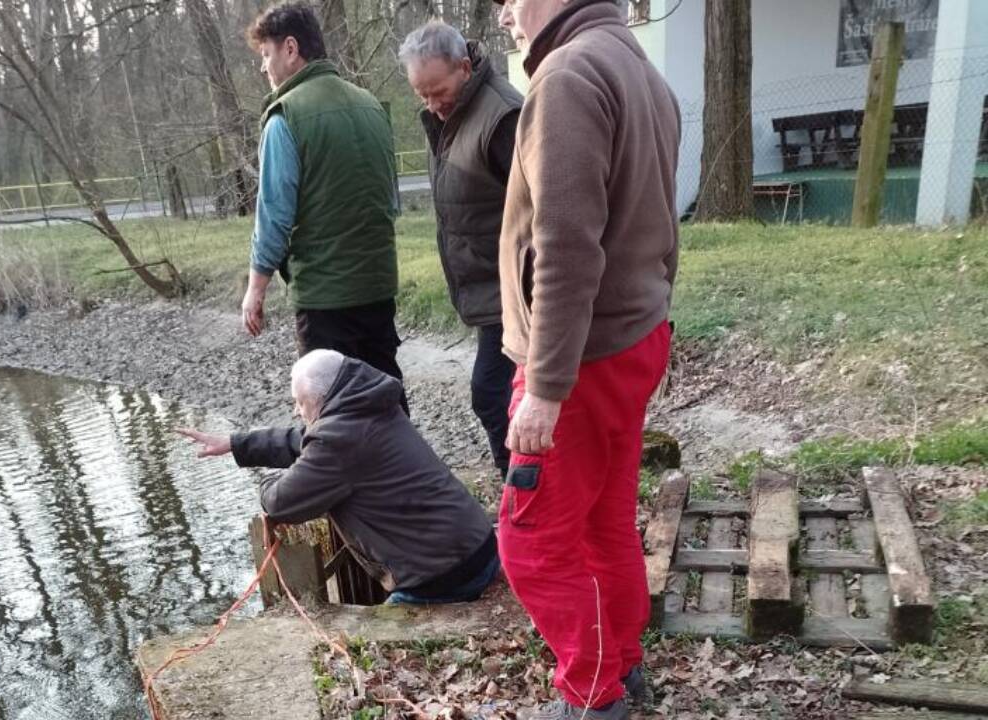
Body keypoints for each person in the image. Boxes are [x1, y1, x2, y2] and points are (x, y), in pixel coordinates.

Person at [493, 0, 681, 716]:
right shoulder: (638, 67)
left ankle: (592, 696)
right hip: (631, 337)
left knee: (530, 540)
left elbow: (567, 247)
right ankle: (621, 667)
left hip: (578, 358)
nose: (505, 14)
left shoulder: (568, 76)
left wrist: (545, 387)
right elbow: (662, 223)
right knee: (603, 522)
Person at [177, 350, 499, 605]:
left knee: (368, 648)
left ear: (321, 400)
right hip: (479, 548)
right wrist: (236, 444)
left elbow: (280, 502)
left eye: (299, 403)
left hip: (443, 576)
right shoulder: (370, 404)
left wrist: (270, 480)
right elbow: (305, 439)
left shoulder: (338, 440)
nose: (296, 411)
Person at [242, 3, 406, 403]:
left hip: (325, 296)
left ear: (291, 48)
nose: (263, 67)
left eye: (266, 54)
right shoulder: (370, 105)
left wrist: (256, 288)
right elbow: (389, 200)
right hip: (378, 285)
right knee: (386, 400)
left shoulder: (284, 117)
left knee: (331, 409)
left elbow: (274, 217)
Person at [398, 21, 523, 478]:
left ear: (465, 68)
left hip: (515, 289)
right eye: (422, 95)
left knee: (491, 394)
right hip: (487, 288)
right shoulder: (446, 119)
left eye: (438, 91)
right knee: (503, 397)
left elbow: (541, 212)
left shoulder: (502, 116)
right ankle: (524, 489)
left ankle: (523, 490)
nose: (432, 103)